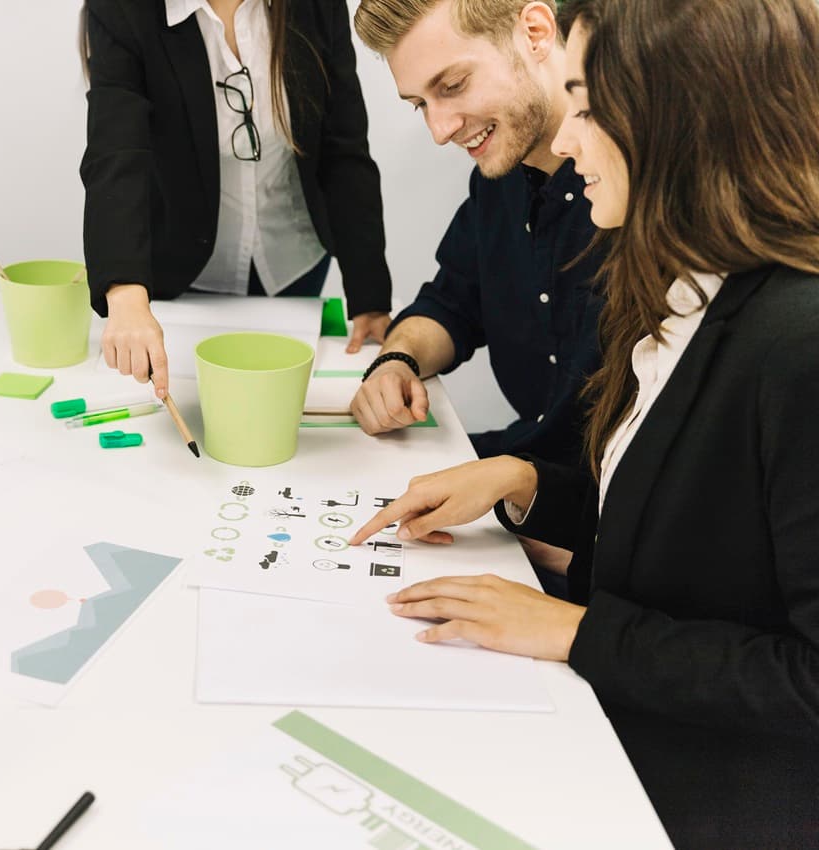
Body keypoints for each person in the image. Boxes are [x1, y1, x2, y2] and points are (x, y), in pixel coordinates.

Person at [351, 0, 819, 843]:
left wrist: (576, 630)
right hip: (614, 714)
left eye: (588, 103)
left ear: (682, 113)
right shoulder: (681, 294)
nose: (565, 142)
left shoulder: (797, 338)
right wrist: (530, 485)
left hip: (695, 791)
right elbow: (685, 539)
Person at [81, 0, 394, 400]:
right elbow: (116, 152)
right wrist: (125, 294)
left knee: (284, 403)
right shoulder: (121, 9)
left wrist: (369, 296)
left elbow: (344, 149)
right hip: (183, 269)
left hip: (292, 258)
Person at [350, 0, 601, 467]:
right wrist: (396, 360)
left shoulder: (633, 192)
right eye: (421, 104)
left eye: (453, 85)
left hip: (598, 504)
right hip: (527, 468)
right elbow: (453, 301)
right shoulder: (500, 174)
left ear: (536, 31)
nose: (440, 131)